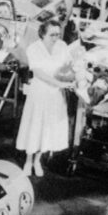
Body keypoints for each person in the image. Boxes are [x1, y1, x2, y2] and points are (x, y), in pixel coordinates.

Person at [16, 19, 74, 176]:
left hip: (55, 95)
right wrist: (59, 83)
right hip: (39, 92)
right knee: (35, 127)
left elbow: (70, 64)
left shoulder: (62, 46)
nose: (56, 38)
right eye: (52, 35)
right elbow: (39, 73)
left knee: (47, 129)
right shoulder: (33, 49)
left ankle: (37, 161)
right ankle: (28, 161)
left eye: (58, 34)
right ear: (42, 34)